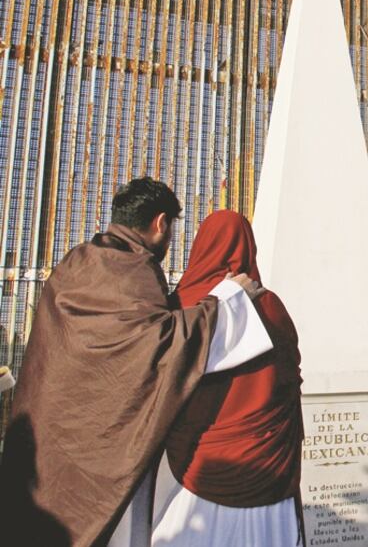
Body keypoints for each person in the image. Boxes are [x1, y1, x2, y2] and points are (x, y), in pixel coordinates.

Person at [0, 177, 272, 546]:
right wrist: (226, 303)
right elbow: (156, 348)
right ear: (160, 223)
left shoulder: (76, 261)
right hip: (105, 447)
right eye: (172, 229)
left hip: (52, 435)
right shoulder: (134, 269)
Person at [151, 210, 304, 546]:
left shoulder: (178, 308)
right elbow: (290, 377)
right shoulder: (271, 306)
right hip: (267, 470)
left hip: (193, 471)